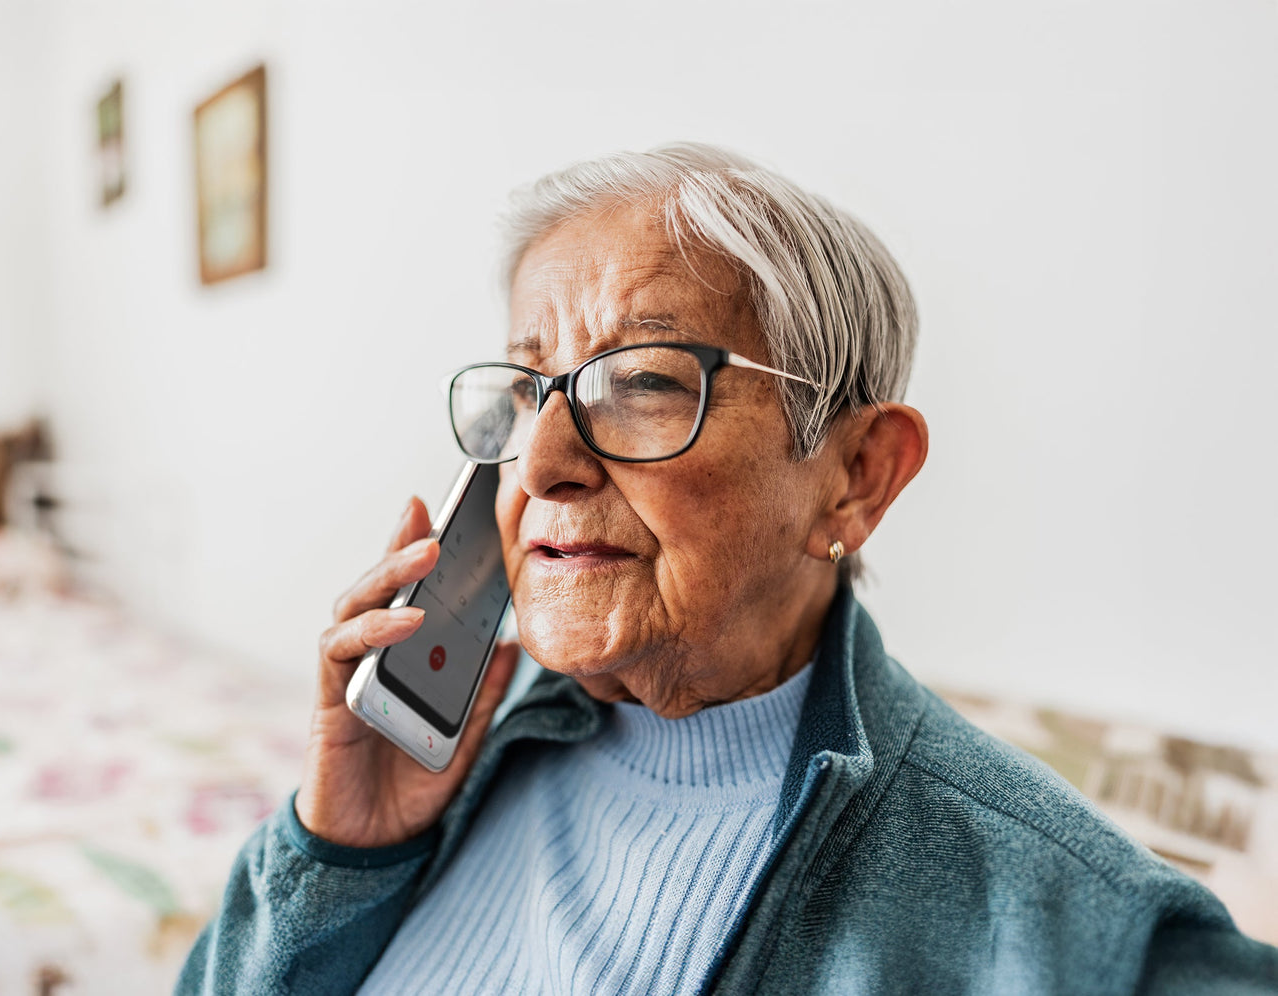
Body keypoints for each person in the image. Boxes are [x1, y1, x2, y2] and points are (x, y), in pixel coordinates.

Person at [176, 144, 1278, 994]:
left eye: (644, 381)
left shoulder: (1050, 914)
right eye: (528, 391)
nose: (545, 464)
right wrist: (339, 857)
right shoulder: (460, 745)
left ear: (856, 475)